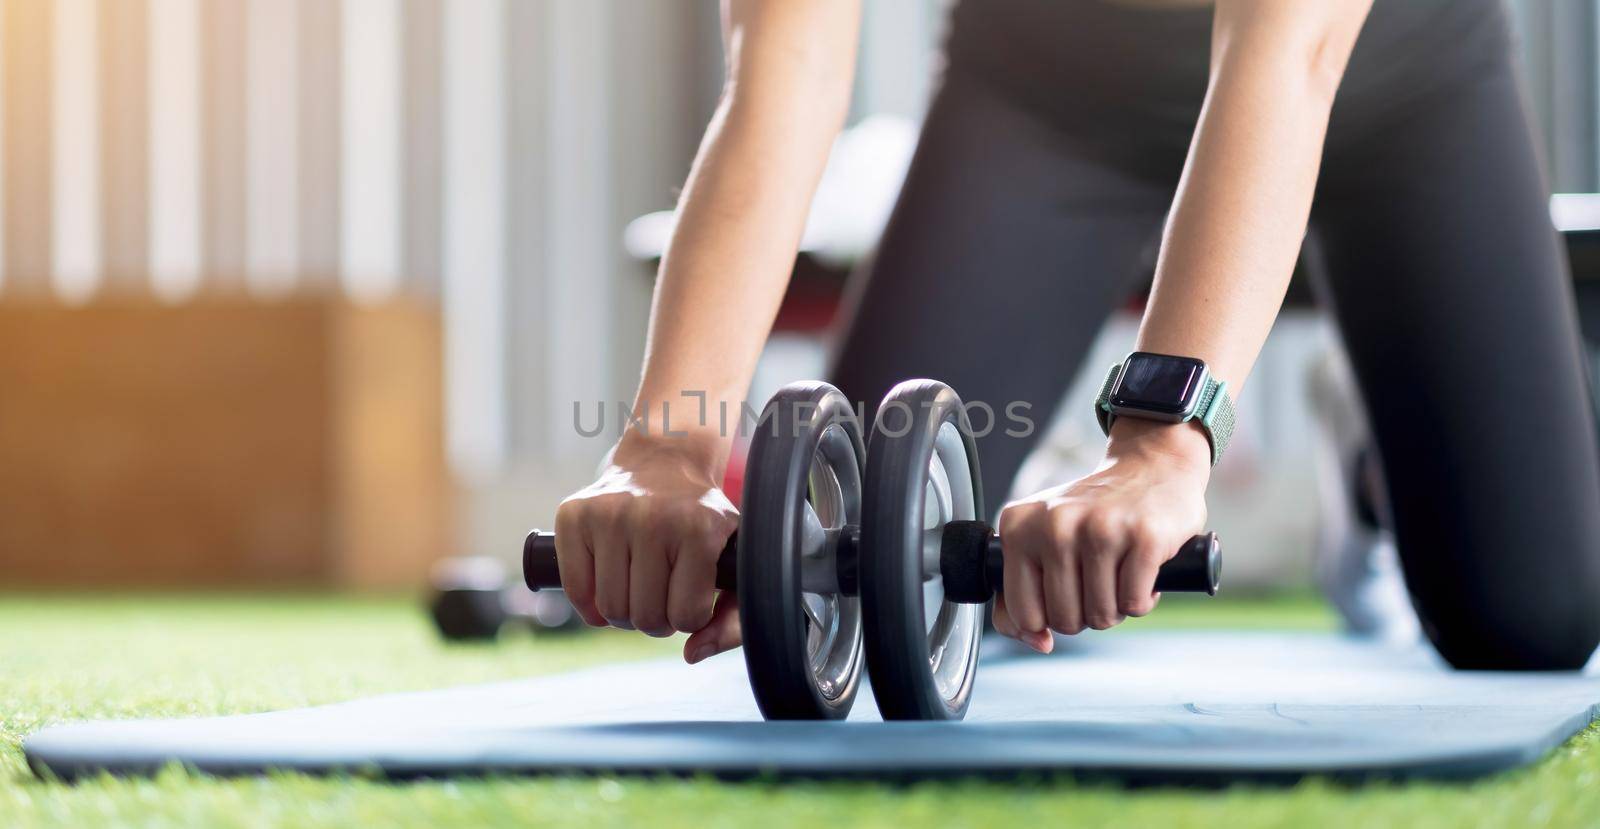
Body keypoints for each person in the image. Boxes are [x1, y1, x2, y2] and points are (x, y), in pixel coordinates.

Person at [553, 0, 1600, 671]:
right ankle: (1039, 460)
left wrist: (1159, 446)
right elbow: (783, 74)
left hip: (1390, 79)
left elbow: (1290, 55)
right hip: (1046, 101)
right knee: (864, 574)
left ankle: (1374, 470)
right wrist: (663, 445)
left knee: (1531, 617)